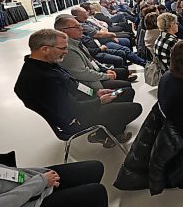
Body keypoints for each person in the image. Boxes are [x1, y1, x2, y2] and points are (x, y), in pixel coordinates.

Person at [14, 29, 142, 148]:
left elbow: (74, 85)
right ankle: (106, 132)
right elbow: (70, 110)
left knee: (127, 92)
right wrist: (100, 101)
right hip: (75, 118)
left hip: (82, 102)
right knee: (136, 108)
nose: (66, 51)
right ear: (45, 49)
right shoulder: (40, 79)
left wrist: (96, 92)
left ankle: (109, 131)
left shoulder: (47, 64)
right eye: (63, 48)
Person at [54, 15, 136, 90]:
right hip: (91, 83)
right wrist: (106, 76)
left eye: (80, 26)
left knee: (123, 71)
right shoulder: (67, 50)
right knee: (127, 87)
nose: (81, 28)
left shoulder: (77, 41)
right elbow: (83, 74)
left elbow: (91, 59)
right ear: (63, 31)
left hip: (95, 70)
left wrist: (105, 69)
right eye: (76, 27)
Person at [0, 160, 108, 207]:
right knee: (98, 192)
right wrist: (41, 181)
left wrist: (39, 175)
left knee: (95, 168)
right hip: (33, 201)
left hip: (33, 179)